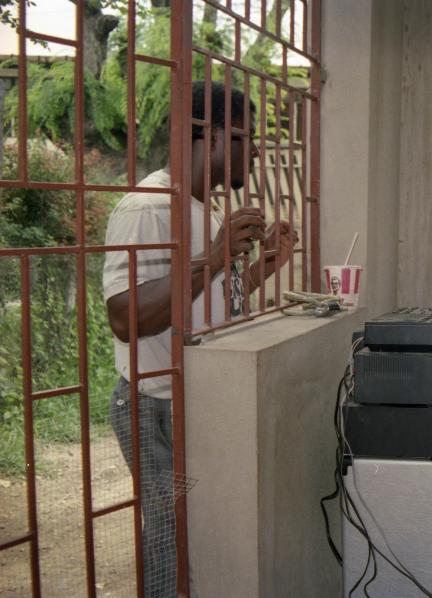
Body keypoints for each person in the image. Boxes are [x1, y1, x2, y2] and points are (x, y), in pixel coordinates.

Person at [101, 81, 297, 598]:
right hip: (154, 406)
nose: (255, 150)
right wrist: (212, 256)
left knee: (197, 533)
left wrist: (260, 270)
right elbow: (124, 318)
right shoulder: (149, 207)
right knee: (172, 535)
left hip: (195, 401)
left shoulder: (202, 209)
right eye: (246, 137)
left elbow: (208, 307)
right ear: (209, 134)